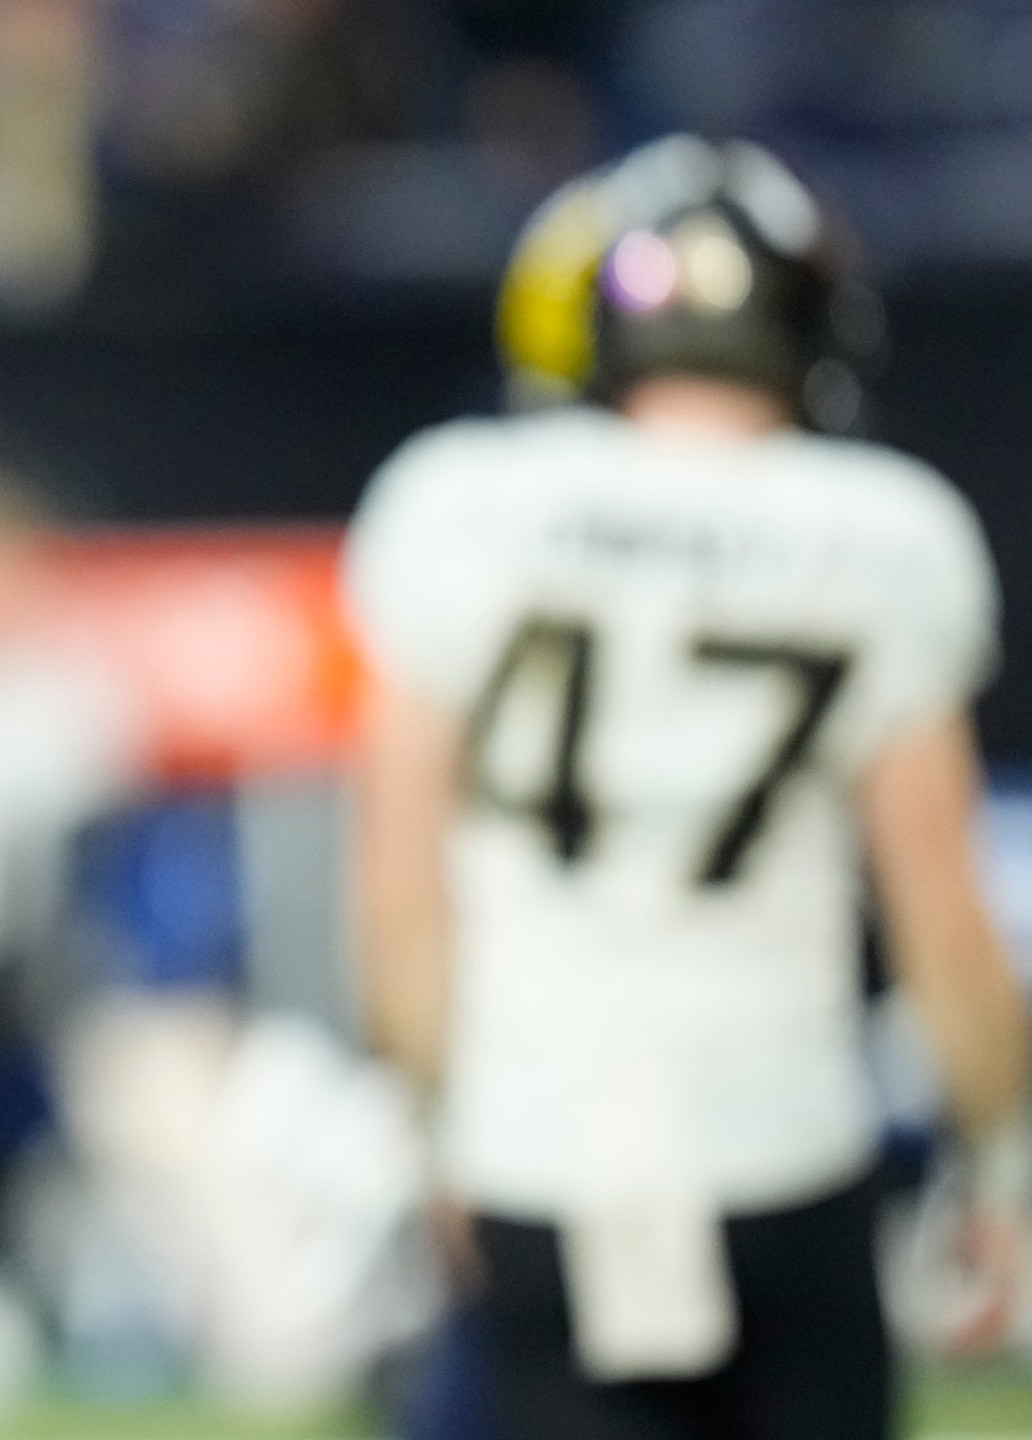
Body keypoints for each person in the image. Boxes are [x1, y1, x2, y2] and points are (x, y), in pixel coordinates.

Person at [348, 134, 1028, 1440]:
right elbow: (944, 914)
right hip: (785, 1137)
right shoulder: (887, 530)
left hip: (536, 1145)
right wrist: (1001, 1165)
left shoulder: (457, 504)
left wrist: (429, 1128)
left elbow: (397, 884)